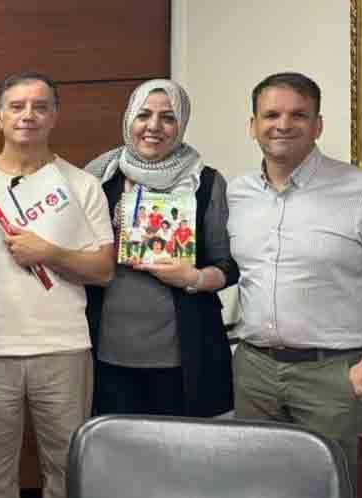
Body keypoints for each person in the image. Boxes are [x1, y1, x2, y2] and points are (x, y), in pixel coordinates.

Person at [227, 71, 362, 470]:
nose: (283, 124)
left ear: (318, 125)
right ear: (253, 126)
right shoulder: (238, 193)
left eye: (298, 115)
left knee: (328, 483)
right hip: (254, 370)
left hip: (331, 376)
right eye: (271, 115)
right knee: (256, 482)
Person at [0, 72, 115, 498]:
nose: (28, 115)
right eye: (17, 106)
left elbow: (104, 270)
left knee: (66, 470)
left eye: (40, 107)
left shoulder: (82, 185)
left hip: (63, 347)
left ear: (54, 116)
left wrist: (51, 253)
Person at [83, 79, 237, 418]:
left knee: (181, 447)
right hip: (107, 351)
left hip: (184, 354)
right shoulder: (98, 180)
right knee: (117, 446)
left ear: (181, 124)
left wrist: (194, 278)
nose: (153, 126)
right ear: (129, 120)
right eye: (144, 115)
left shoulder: (206, 182)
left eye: (168, 117)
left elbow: (229, 265)